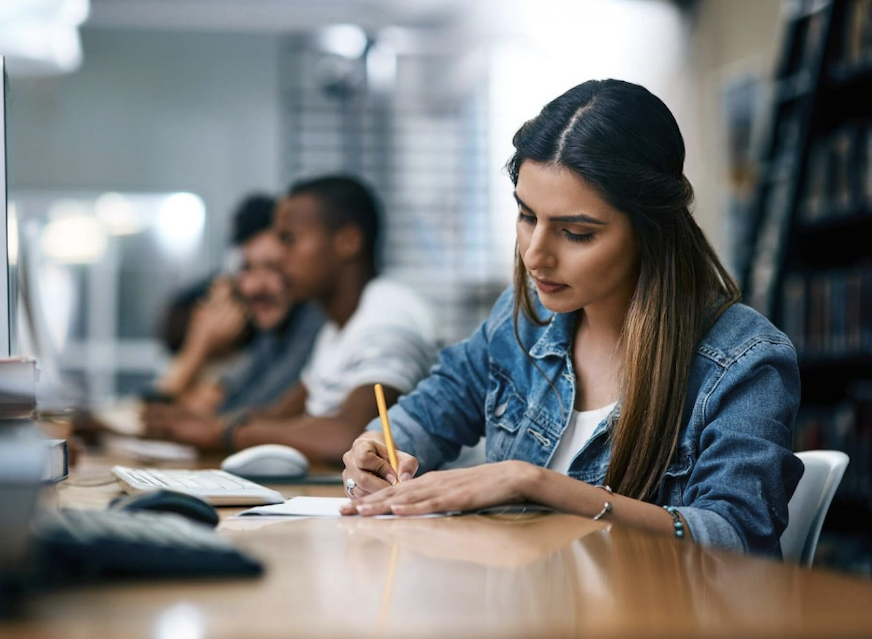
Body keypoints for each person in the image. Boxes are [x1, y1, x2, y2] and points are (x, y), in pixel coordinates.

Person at [339, 79, 803, 558]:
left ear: (651, 231)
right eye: (527, 216)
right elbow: (421, 417)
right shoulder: (521, 319)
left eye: (576, 233)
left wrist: (536, 484)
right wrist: (372, 451)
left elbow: (735, 540)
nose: (535, 255)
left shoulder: (744, 360)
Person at [146, 175, 439, 464]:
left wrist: (222, 433)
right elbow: (278, 416)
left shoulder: (389, 313)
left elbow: (351, 438)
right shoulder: (335, 328)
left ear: (348, 241)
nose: (279, 257)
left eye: (289, 240)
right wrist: (185, 424)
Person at [149, 194, 324, 415]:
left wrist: (199, 346)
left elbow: (250, 416)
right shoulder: (269, 337)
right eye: (246, 268)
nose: (254, 287)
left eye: (273, 267)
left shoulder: (314, 322)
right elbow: (233, 409)